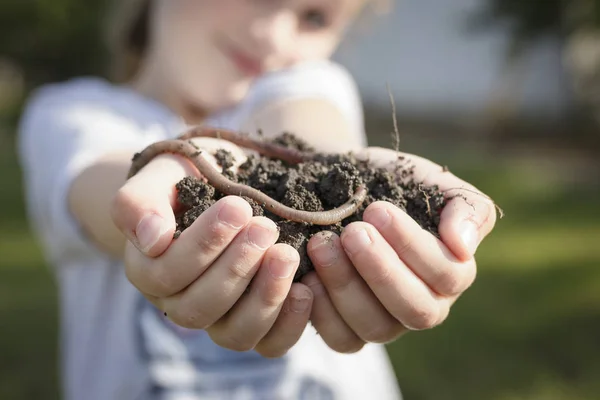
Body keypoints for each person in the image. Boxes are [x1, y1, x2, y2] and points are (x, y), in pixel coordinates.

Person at [16, 0, 497, 399]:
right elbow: (101, 187)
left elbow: (308, 121)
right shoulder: (69, 113)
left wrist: (325, 160)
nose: (272, 36)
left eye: (315, 18)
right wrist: (160, 202)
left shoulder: (313, 81)